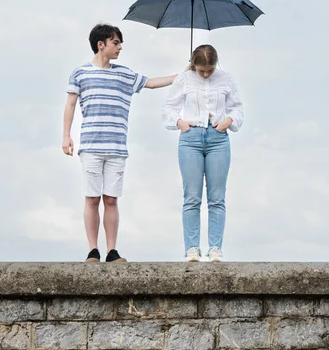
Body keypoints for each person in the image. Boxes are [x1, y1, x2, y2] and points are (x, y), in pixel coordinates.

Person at [62, 23, 177, 263]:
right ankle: (93, 249)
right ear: (101, 44)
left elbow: (151, 82)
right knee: (92, 199)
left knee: (111, 199)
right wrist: (66, 135)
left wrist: (182, 76)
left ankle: (112, 251)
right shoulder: (80, 73)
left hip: (116, 147)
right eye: (116, 42)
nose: (120, 47)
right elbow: (71, 104)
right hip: (91, 146)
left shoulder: (124, 73)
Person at [163, 44, 243, 262]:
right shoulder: (184, 79)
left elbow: (237, 108)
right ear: (194, 65)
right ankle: (192, 249)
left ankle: (215, 247)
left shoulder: (226, 79)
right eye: (201, 71)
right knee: (192, 197)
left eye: (210, 70)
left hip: (218, 138)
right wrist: (180, 123)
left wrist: (229, 121)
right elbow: (168, 108)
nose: (206, 74)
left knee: (217, 198)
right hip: (190, 138)